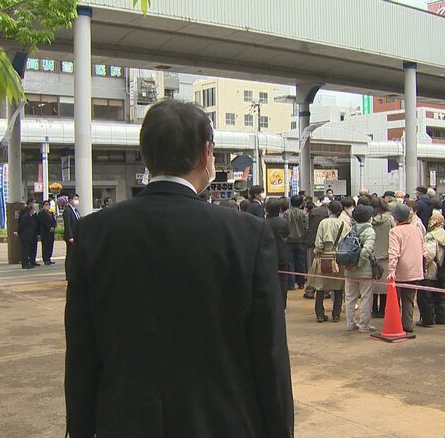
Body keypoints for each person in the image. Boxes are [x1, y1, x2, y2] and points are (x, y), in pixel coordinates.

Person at [64, 100, 294, 437]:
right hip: (223, 422)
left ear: (146, 155)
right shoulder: (245, 234)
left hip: (125, 422)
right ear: (205, 154)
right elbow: (269, 356)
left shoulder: (93, 234)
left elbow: (82, 355)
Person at [387, 203, 425, 333]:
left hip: (400, 271)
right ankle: (407, 325)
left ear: (396, 219)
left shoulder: (394, 231)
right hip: (415, 270)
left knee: (395, 301)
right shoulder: (416, 229)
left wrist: (391, 270)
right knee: (409, 300)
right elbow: (423, 249)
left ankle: (396, 324)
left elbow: (393, 253)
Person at [311, 200, 349, 323]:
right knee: (338, 287)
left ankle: (320, 314)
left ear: (329, 211)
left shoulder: (324, 223)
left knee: (320, 287)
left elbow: (318, 242)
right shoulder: (345, 224)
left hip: (324, 257)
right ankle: (336, 314)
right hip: (339, 258)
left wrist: (318, 251)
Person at [344, 205, 377, 333]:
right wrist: (359, 264)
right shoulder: (369, 231)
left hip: (349, 270)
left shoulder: (351, 230)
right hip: (364, 270)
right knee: (366, 298)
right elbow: (367, 250)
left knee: (350, 298)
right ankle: (364, 325)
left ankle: (350, 323)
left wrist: (351, 265)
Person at [421, 211, 445, 326]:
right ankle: (441, 318)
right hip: (443, 269)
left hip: (431, 269)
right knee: (440, 296)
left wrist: (424, 267)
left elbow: (429, 255)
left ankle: (427, 319)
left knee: (426, 296)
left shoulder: (430, 236)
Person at [370, 196, 394, 318]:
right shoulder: (390, 219)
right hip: (387, 255)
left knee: (373, 285)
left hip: (373, 256)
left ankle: (373, 309)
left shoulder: (369, 220)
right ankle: (383, 309)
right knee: (385, 286)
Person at [303, 197, 330, 299]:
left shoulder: (313, 212)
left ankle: (310, 290)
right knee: (327, 268)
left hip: (312, 242)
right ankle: (326, 291)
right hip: (327, 244)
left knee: (312, 268)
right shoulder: (329, 214)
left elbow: (307, 226)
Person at [266, 198, 290, 309]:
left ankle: (270, 303)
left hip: (267, 255)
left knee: (267, 279)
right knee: (282, 280)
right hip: (281, 254)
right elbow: (287, 233)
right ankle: (282, 304)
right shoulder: (283, 222)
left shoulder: (263, 222)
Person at [285, 195, 309, 291]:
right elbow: (306, 227)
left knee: (290, 262)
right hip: (301, 241)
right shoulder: (303, 213)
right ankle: (301, 283)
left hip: (289, 241)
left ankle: (291, 284)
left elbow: (285, 226)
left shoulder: (287, 213)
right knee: (301, 262)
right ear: (301, 203)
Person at [16, 198, 40, 269]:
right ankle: (25, 263)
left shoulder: (32, 215)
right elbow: (21, 224)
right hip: (26, 235)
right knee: (25, 250)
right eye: (33, 203)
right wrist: (19, 232)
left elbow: (36, 222)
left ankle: (32, 261)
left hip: (32, 234)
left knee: (32, 248)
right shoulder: (25, 214)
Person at [63, 193, 81, 279]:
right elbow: (68, 225)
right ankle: (69, 274)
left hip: (77, 236)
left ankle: (74, 272)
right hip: (71, 237)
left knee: (75, 255)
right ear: (70, 200)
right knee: (70, 255)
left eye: (77, 199)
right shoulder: (67, 210)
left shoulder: (75, 210)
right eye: (75, 199)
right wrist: (70, 236)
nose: (77, 201)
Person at [38, 199, 57, 265]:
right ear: (43, 206)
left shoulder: (51, 213)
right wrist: (49, 227)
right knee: (45, 246)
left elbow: (54, 221)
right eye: (46, 205)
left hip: (51, 232)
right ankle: (45, 259)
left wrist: (53, 227)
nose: (47, 206)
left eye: (48, 205)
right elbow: (43, 222)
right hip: (45, 232)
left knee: (50, 245)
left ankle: (49, 258)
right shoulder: (41, 213)